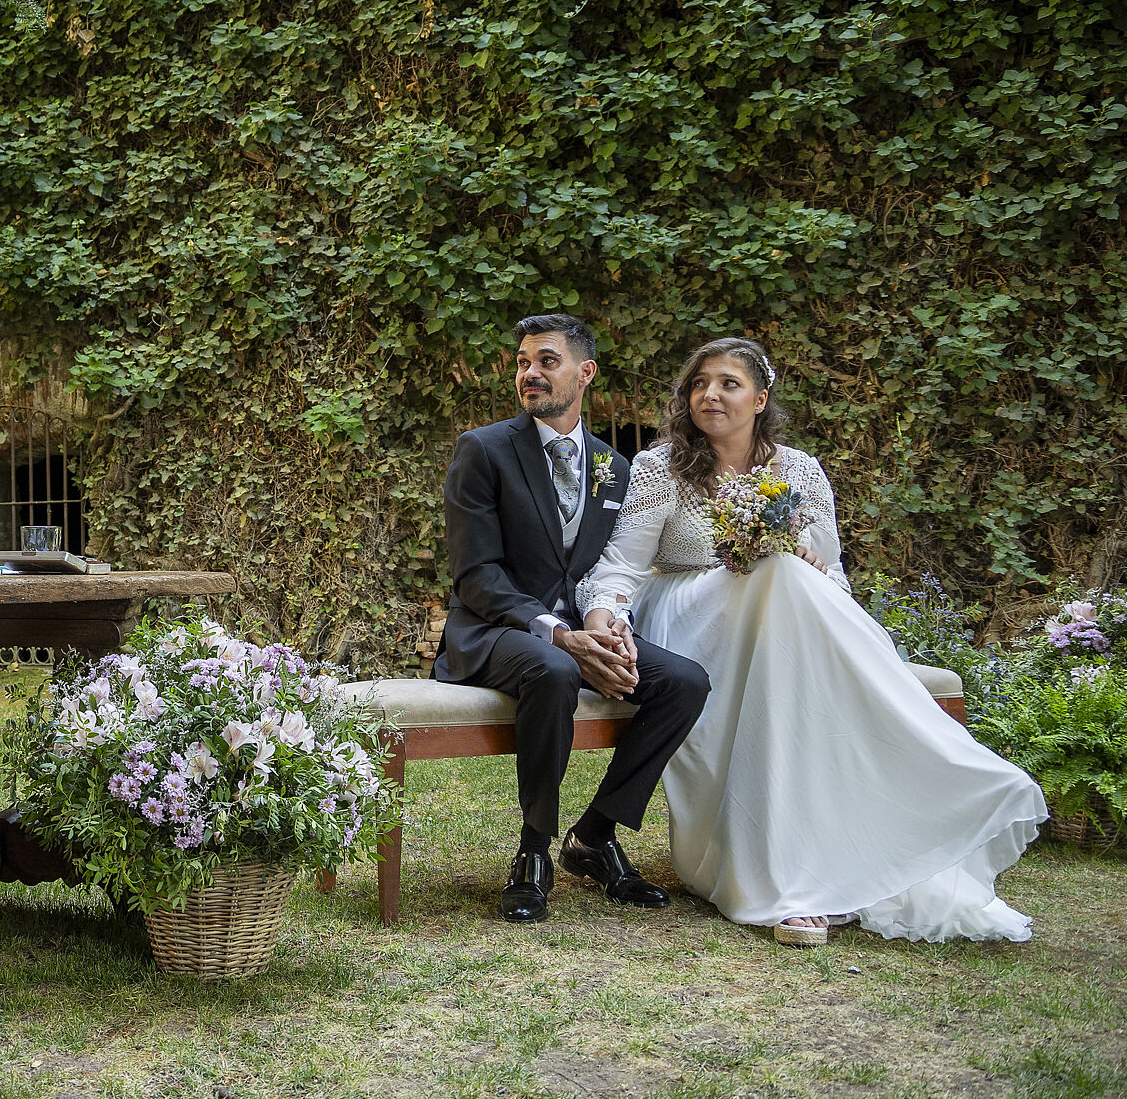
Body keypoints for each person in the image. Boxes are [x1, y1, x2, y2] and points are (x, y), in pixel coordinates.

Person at [579, 337, 1047, 945]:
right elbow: (623, 564)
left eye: (728, 383)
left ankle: (828, 860)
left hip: (779, 617)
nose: (710, 395)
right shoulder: (661, 466)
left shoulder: (800, 470)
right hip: (684, 610)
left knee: (784, 575)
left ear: (761, 398)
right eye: (699, 384)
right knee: (776, 575)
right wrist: (603, 614)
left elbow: (833, 579)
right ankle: (777, 878)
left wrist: (807, 562)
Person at [436, 314, 712, 923]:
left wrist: (605, 627)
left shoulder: (616, 466)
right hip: (494, 632)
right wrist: (563, 635)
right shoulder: (484, 451)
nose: (529, 373)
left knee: (686, 682)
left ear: (585, 373)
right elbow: (476, 577)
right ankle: (534, 848)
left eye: (546, 361)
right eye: (522, 362)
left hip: (578, 631)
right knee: (555, 668)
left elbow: (611, 567)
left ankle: (595, 834)